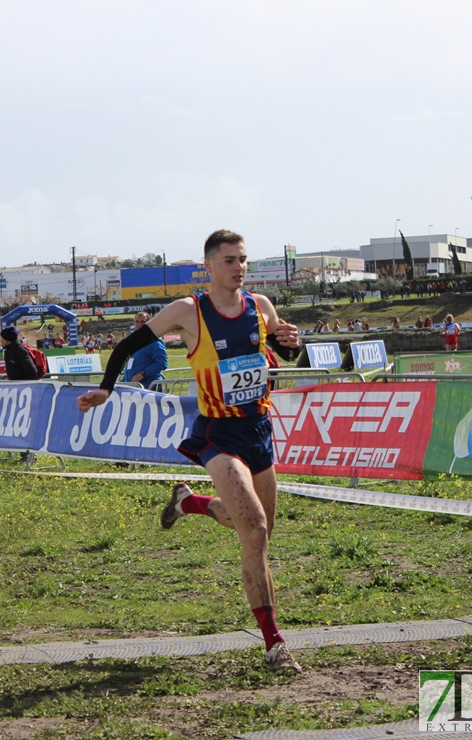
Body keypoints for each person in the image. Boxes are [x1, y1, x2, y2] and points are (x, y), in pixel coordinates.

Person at [77, 229, 303, 673]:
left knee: (258, 532)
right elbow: (128, 345)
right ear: (209, 266)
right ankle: (274, 643)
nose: (239, 267)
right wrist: (107, 389)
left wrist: (291, 345)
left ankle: (189, 502)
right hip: (218, 434)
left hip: (259, 429)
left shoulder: (261, 306)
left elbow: (281, 351)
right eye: (229, 260)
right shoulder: (189, 310)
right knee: (254, 529)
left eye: (243, 260)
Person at [122, 311, 168, 389]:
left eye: (142, 322)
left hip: (149, 389)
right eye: (137, 321)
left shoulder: (154, 341)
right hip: (133, 388)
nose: (139, 324)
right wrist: (123, 382)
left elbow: (162, 363)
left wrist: (142, 374)